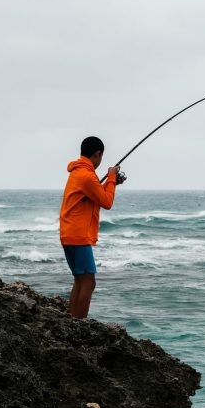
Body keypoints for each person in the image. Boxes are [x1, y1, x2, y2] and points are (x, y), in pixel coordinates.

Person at [59, 136, 123, 319]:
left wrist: (111, 183)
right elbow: (106, 202)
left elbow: (96, 194)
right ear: (98, 154)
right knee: (89, 282)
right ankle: (79, 324)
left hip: (69, 233)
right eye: (101, 157)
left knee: (80, 280)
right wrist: (111, 177)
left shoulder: (78, 172)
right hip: (78, 235)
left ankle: (71, 320)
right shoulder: (86, 175)